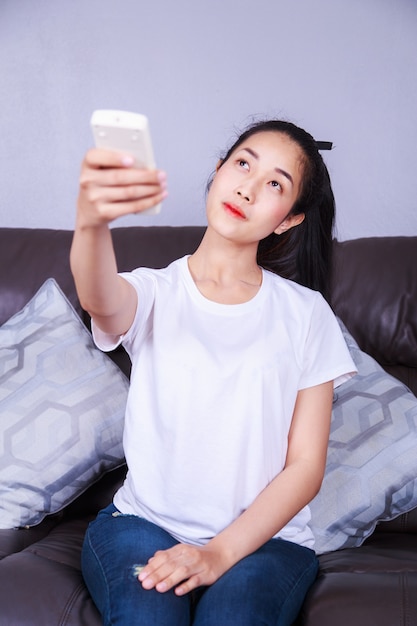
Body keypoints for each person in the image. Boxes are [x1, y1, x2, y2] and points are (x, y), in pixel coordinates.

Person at [70, 118, 356, 626]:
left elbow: (306, 467)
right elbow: (100, 298)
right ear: (219, 170)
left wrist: (218, 554)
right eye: (243, 163)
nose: (247, 186)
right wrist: (92, 222)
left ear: (288, 219)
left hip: (266, 543)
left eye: (274, 184)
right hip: (143, 525)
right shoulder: (155, 291)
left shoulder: (307, 314)